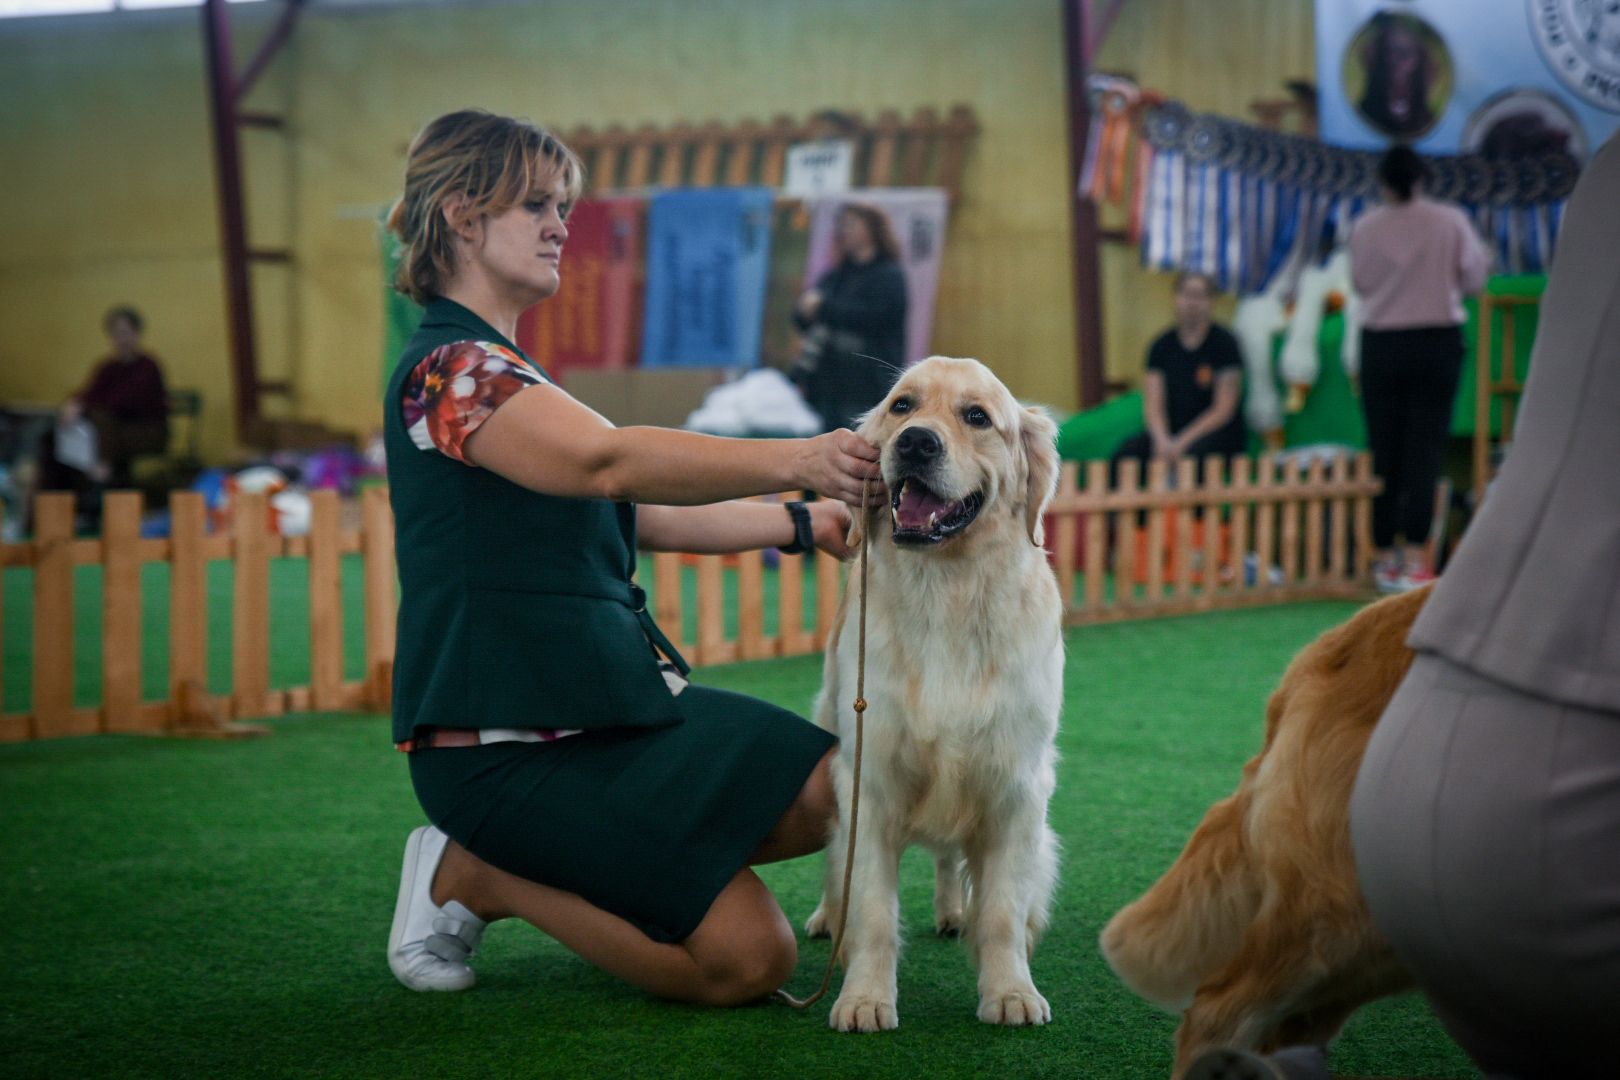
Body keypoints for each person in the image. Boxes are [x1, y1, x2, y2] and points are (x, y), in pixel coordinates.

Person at [381, 110, 886, 1006]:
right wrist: (801, 456)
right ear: (462, 217)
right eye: (534, 203)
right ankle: (478, 874)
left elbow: (632, 504)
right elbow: (605, 462)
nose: (558, 224)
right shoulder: (447, 373)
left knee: (838, 786)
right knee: (749, 964)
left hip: (608, 710)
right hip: (502, 749)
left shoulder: (505, 372)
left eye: (561, 205)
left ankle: (637, 853)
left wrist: (803, 522)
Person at [1349, 146, 1489, 593]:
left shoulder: (1366, 226)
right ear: (1423, 179)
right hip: (1436, 340)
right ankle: (1414, 560)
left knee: (1384, 448)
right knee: (1425, 448)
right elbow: (1475, 280)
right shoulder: (1450, 220)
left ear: (1385, 184)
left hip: (1383, 343)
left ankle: (1383, 555)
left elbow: (1360, 283)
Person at [35, 305, 169, 529]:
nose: (121, 338)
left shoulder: (148, 366)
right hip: (112, 433)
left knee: (102, 419)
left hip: (147, 430)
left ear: (137, 334)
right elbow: (90, 392)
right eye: (116, 333)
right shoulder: (108, 367)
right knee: (59, 433)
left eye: (126, 332)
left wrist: (83, 405)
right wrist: (74, 404)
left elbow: (124, 402)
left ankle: (100, 476)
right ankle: (55, 504)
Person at [1111, 271, 1246, 478]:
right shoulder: (1161, 346)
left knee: (1197, 457)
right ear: (1176, 298)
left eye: (1200, 296)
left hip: (1212, 434)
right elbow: (1154, 403)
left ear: (1212, 302)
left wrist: (1182, 442)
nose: (1192, 303)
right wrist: (1162, 440)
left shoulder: (1225, 345)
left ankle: (1197, 511)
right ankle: (1126, 511)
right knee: (1128, 453)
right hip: (1170, 432)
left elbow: (1223, 409)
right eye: (1187, 294)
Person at [790, 201, 908, 432]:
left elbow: (875, 318)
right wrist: (805, 311)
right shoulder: (836, 276)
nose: (844, 230)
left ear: (872, 228)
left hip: (868, 386)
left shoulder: (890, 276)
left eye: (852, 223)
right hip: (828, 386)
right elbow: (804, 320)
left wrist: (822, 307)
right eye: (842, 224)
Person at [1355, 12, 1441, 139]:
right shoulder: (1358, 119)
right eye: (1387, 51)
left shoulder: (1431, 125)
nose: (1395, 60)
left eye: (1405, 53)